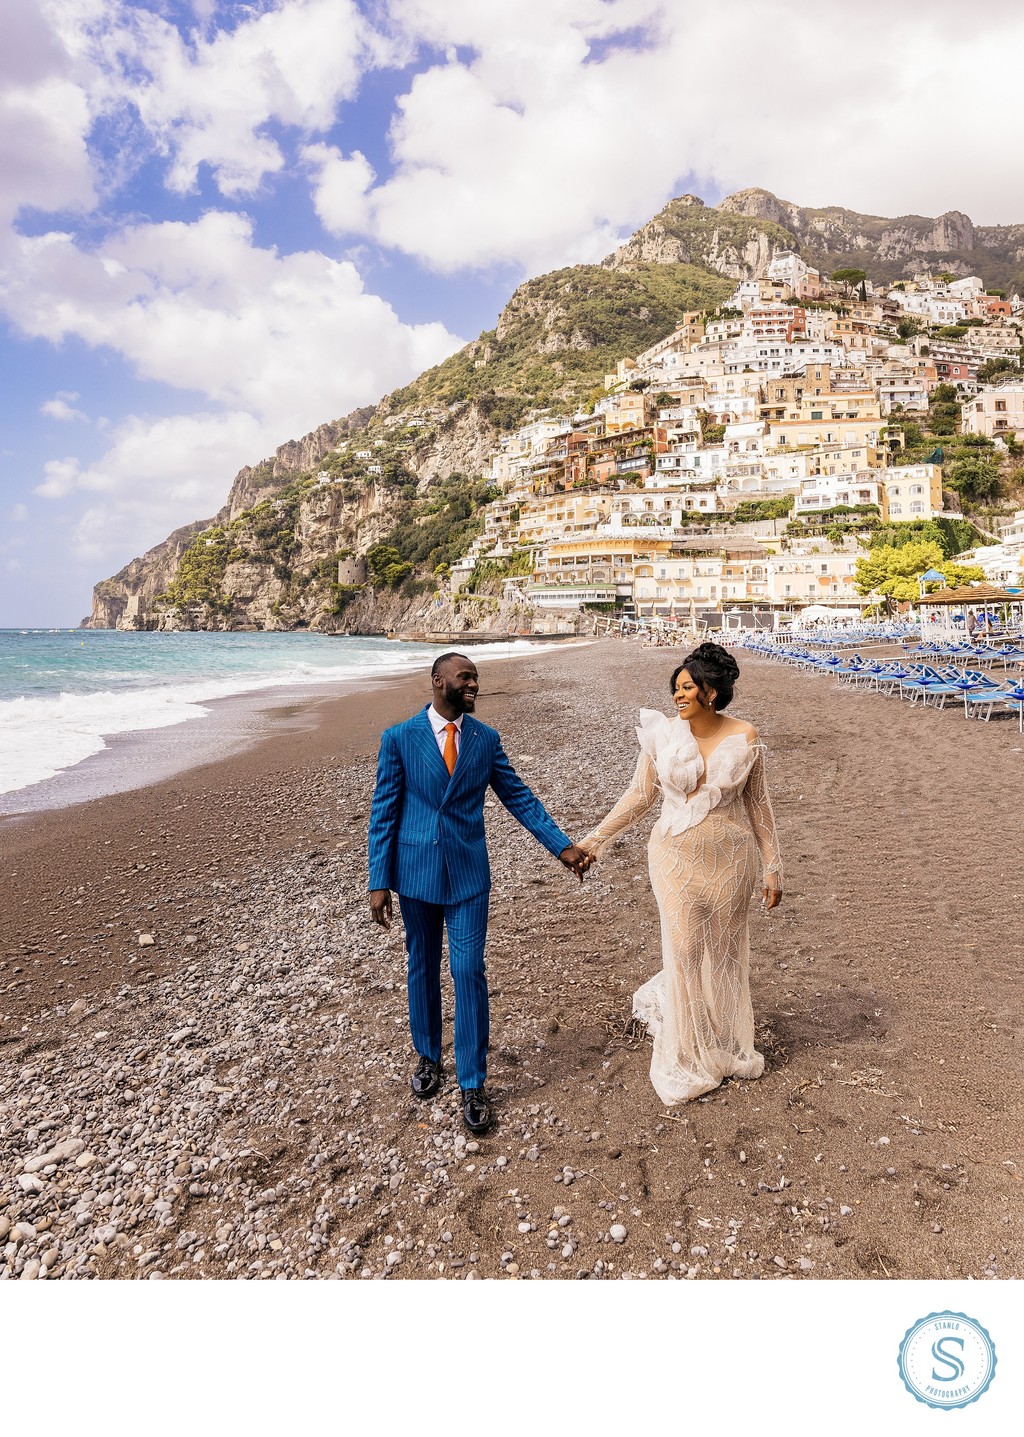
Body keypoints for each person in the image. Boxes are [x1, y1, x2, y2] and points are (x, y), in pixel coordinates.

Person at [368, 652, 589, 1134]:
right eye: (465, 677)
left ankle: (472, 1081)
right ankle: (428, 1057)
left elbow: (519, 797)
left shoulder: (485, 740)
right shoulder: (399, 739)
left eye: (475, 678)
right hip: (415, 873)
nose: (473, 685)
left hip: (469, 876)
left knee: (468, 971)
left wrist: (562, 847)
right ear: (438, 680)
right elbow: (384, 811)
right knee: (422, 965)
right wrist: (378, 879)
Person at [579, 642, 783, 1105]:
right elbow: (640, 795)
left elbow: (759, 805)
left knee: (726, 952)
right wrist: (595, 840)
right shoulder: (662, 734)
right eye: (675, 688)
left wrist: (774, 866)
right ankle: (690, 1054)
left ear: (712, 691)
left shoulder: (746, 735)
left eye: (687, 687)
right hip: (673, 856)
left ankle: (727, 1044)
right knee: (686, 949)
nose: (677, 695)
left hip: (732, 860)